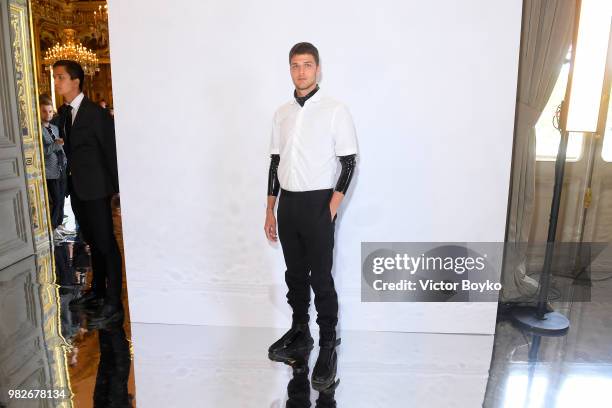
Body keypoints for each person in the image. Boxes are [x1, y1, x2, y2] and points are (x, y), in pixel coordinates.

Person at [265, 42, 358, 392]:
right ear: (289, 70)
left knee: (321, 277)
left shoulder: (335, 110)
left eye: (307, 65)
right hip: (287, 203)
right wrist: (270, 207)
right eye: (295, 65)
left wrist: (331, 207)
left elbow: (349, 161)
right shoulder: (281, 113)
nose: (301, 71)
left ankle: (329, 343)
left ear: (318, 68)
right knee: (294, 275)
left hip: (319, 203)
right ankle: (301, 331)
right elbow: (275, 162)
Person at [52, 59, 123, 329]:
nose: (57, 82)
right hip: (78, 190)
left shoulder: (95, 114)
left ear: (75, 81)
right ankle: (98, 292)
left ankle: (113, 303)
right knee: (92, 241)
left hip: (97, 190)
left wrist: (117, 192)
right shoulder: (65, 113)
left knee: (106, 244)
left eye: (60, 77)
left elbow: (110, 153)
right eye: (56, 77)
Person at [40, 96, 68, 236]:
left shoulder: (55, 128)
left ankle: (59, 223)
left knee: (62, 198)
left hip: (61, 167)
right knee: (56, 199)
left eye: (50, 111)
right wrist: (55, 145)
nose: (48, 114)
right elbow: (42, 151)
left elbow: (60, 146)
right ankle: (53, 226)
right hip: (50, 170)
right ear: (39, 111)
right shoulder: (38, 130)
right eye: (44, 111)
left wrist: (65, 159)